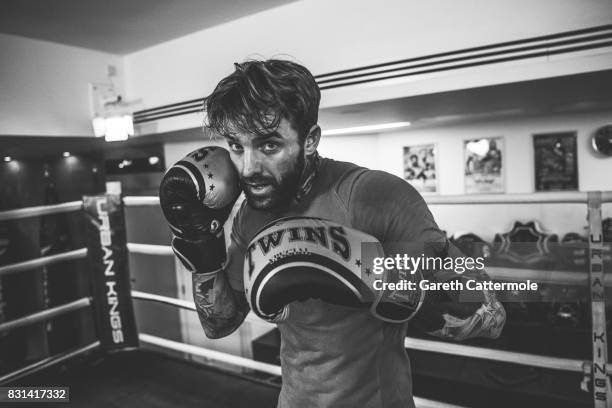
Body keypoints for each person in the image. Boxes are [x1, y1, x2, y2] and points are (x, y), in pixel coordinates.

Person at [159, 59, 506, 408]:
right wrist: (198, 243)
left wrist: (378, 275)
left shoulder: (374, 196)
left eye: (268, 146)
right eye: (236, 146)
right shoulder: (251, 214)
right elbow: (219, 323)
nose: (248, 169)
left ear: (310, 140)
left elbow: (490, 314)